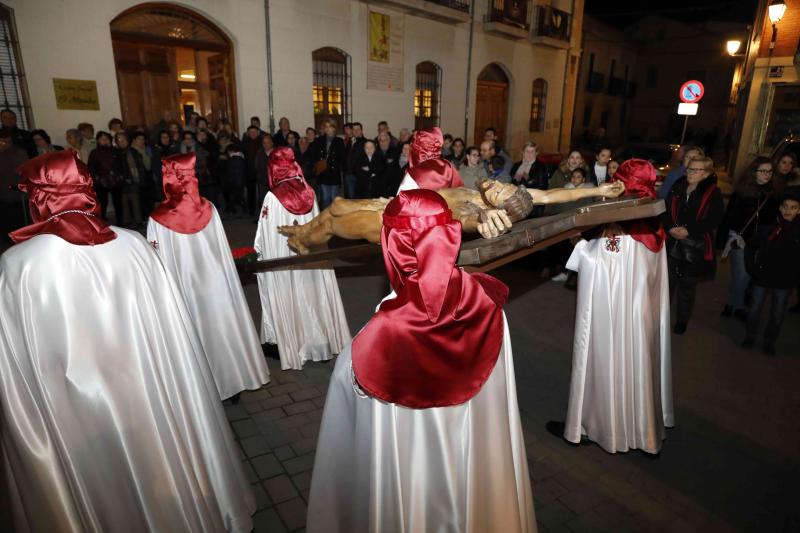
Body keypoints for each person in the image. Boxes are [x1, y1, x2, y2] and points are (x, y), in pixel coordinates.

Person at [0, 150, 255, 532]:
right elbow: (174, 334)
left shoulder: (19, 265)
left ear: (39, 197)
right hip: (150, 394)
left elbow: (16, 371)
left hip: (78, 415)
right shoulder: (133, 244)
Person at [306, 189, 536, 533]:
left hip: (410, 486)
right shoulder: (491, 308)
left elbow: (349, 418)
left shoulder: (381, 334)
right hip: (476, 473)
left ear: (392, 247)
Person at [549, 159, 674, 455]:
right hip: (640, 314)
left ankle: (600, 426)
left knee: (607, 360)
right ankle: (642, 427)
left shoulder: (619, 224)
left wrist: (577, 242)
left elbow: (601, 265)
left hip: (614, 314)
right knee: (639, 360)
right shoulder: (651, 217)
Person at [147, 153, 270, 398]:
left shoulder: (158, 219)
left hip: (185, 288)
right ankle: (233, 381)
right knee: (222, 330)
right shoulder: (210, 209)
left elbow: (156, 260)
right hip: (217, 285)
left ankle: (205, 387)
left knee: (197, 333)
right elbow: (221, 249)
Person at [254, 147, 351, 370]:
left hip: (283, 262)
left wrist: (262, 255)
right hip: (310, 259)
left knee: (290, 294)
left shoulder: (272, 197)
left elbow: (264, 236)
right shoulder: (309, 192)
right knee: (313, 295)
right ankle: (320, 342)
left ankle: (289, 342)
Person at [662, 156, 724, 334]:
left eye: (695, 170)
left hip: (694, 246)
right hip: (673, 241)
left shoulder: (713, 193)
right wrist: (670, 228)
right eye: (689, 169)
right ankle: (662, 316)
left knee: (687, 287)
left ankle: (682, 320)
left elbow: (714, 219)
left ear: (706, 173)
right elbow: (664, 209)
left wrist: (689, 230)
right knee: (667, 283)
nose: (690, 173)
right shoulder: (678, 187)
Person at [718, 156, 781, 320]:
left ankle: (732, 304)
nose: (767, 174)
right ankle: (736, 305)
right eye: (763, 171)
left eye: (770, 171)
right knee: (743, 274)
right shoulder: (741, 192)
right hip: (739, 238)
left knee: (743, 274)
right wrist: (723, 239)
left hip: (759, 241)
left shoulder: (773, 194)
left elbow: (774, 220)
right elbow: (729, 216)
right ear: (754, 172)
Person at [742, 193, 800, 355]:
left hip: (785, 280)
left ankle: (769, 340)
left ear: (799, 210)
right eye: (785, 207)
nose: (788, 210)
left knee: (777, 312)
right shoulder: (768, 228)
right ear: (780, 208)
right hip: (762, 276)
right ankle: (750, 336)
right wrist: (752, 268)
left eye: (793, 208)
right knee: (754, 309)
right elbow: (751, 247)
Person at [308, 118, 346, 209]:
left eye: (330, 126)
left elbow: (343, 157)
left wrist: (338, 166)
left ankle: (333, 219)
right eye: (326, 127)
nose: (328, 129)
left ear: (334, 128)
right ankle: (325, 219)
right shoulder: (319, 140)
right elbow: (314, 155)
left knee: (334, 198)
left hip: (334, 173)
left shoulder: (339, 141)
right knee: (325, 198)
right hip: (323, 173)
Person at [88, 131, 124, 225]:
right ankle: (102, 221)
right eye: (102, 139)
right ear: (98, 140)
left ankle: (120, 222)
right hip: (101, 182)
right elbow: (91, 167)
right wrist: (96, 178)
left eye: (106, 138)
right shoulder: (94, 152)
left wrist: (122, 175)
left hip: (116, 180)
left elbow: (122, 164)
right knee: (102, 203)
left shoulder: (116, 151)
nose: (104, 141)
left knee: (118, 203)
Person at [0, 129, 28, 239]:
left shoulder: (19, 152)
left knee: (20, 223)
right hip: (2, 195)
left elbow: (24, 171)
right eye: (3, 141)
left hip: (17, 195)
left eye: (8, 142)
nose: (6, 144)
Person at [344, 122, 365, 199]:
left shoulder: (365, 142)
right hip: (349, 174)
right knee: (350, 198)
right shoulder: (350, 142)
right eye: (354, 129)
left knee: (358, 198)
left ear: (361, 131)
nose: (356, 131)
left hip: (359, 175)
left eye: (358, 129)